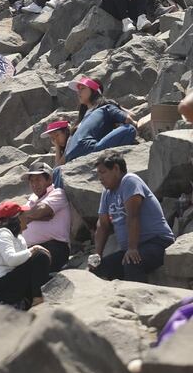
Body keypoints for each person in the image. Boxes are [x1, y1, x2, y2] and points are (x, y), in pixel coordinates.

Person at [92, 153, 174, 283]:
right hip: (133, 248)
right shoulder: (107, 193)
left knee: (132, 262)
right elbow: (103, 225)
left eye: (103, 172)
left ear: (116, 169)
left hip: (157, 242)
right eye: (98, 174)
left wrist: (132, 248)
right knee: (100, 269)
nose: (100, 178)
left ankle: (140, 301)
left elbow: (133, 215)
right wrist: (97, 255)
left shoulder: (129, 181)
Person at [0, 201, 51, 309]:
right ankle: (37, 299)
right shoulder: (3, 233)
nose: (27, 217)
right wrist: (33, 249)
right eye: (24, 214)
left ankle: (31, 299)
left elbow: (22, 262)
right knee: (40, 256)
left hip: (9, 281)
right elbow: (11, 259)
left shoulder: (18, 237)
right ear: (17, 218)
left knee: (40, 260)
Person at [62, 77, 137, 163]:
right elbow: (128, 119)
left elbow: (130, 115)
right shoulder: (104, 109)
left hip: (71, 157)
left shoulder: (96, 112)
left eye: (82, 88)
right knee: (130, 129)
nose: (78, 92)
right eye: (78, 89)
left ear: (94, 91)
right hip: (89, 150)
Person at [19, 162, 71, 272]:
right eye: (31, 181)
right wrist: (35, 216)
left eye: (38, 179)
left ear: (49, 180)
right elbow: (18, 219)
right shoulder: (32, 198)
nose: (34, 184)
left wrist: (33, 216)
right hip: (31, 248)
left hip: (54, 247)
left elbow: (40, 210)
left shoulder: (58, 193)